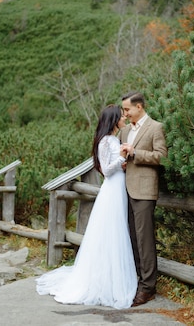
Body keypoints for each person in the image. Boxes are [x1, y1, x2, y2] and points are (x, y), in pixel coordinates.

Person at [35, 105, 137, 309]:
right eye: (122, 116)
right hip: (112, 188)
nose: (125, 118)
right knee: (112, 231)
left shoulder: (110, 139)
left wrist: (121, 161)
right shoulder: (107, 140)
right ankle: (108, 279)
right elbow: (107, 170)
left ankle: (110, 273)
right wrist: (123, 157)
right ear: (114, 119)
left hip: (116, 188)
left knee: (113, 232)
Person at [120, 91, 168, 307]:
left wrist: (135, 153)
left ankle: (148, 287)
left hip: (145, 191)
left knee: (145, 240)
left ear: (139, 107)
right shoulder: (124, 131)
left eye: (128, 109)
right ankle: (137, 279)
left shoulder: (155, 127)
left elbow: (162, 156)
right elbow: (124, 158)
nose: (125, 113)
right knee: (132, 238)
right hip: (126, 191)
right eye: (124, 110)